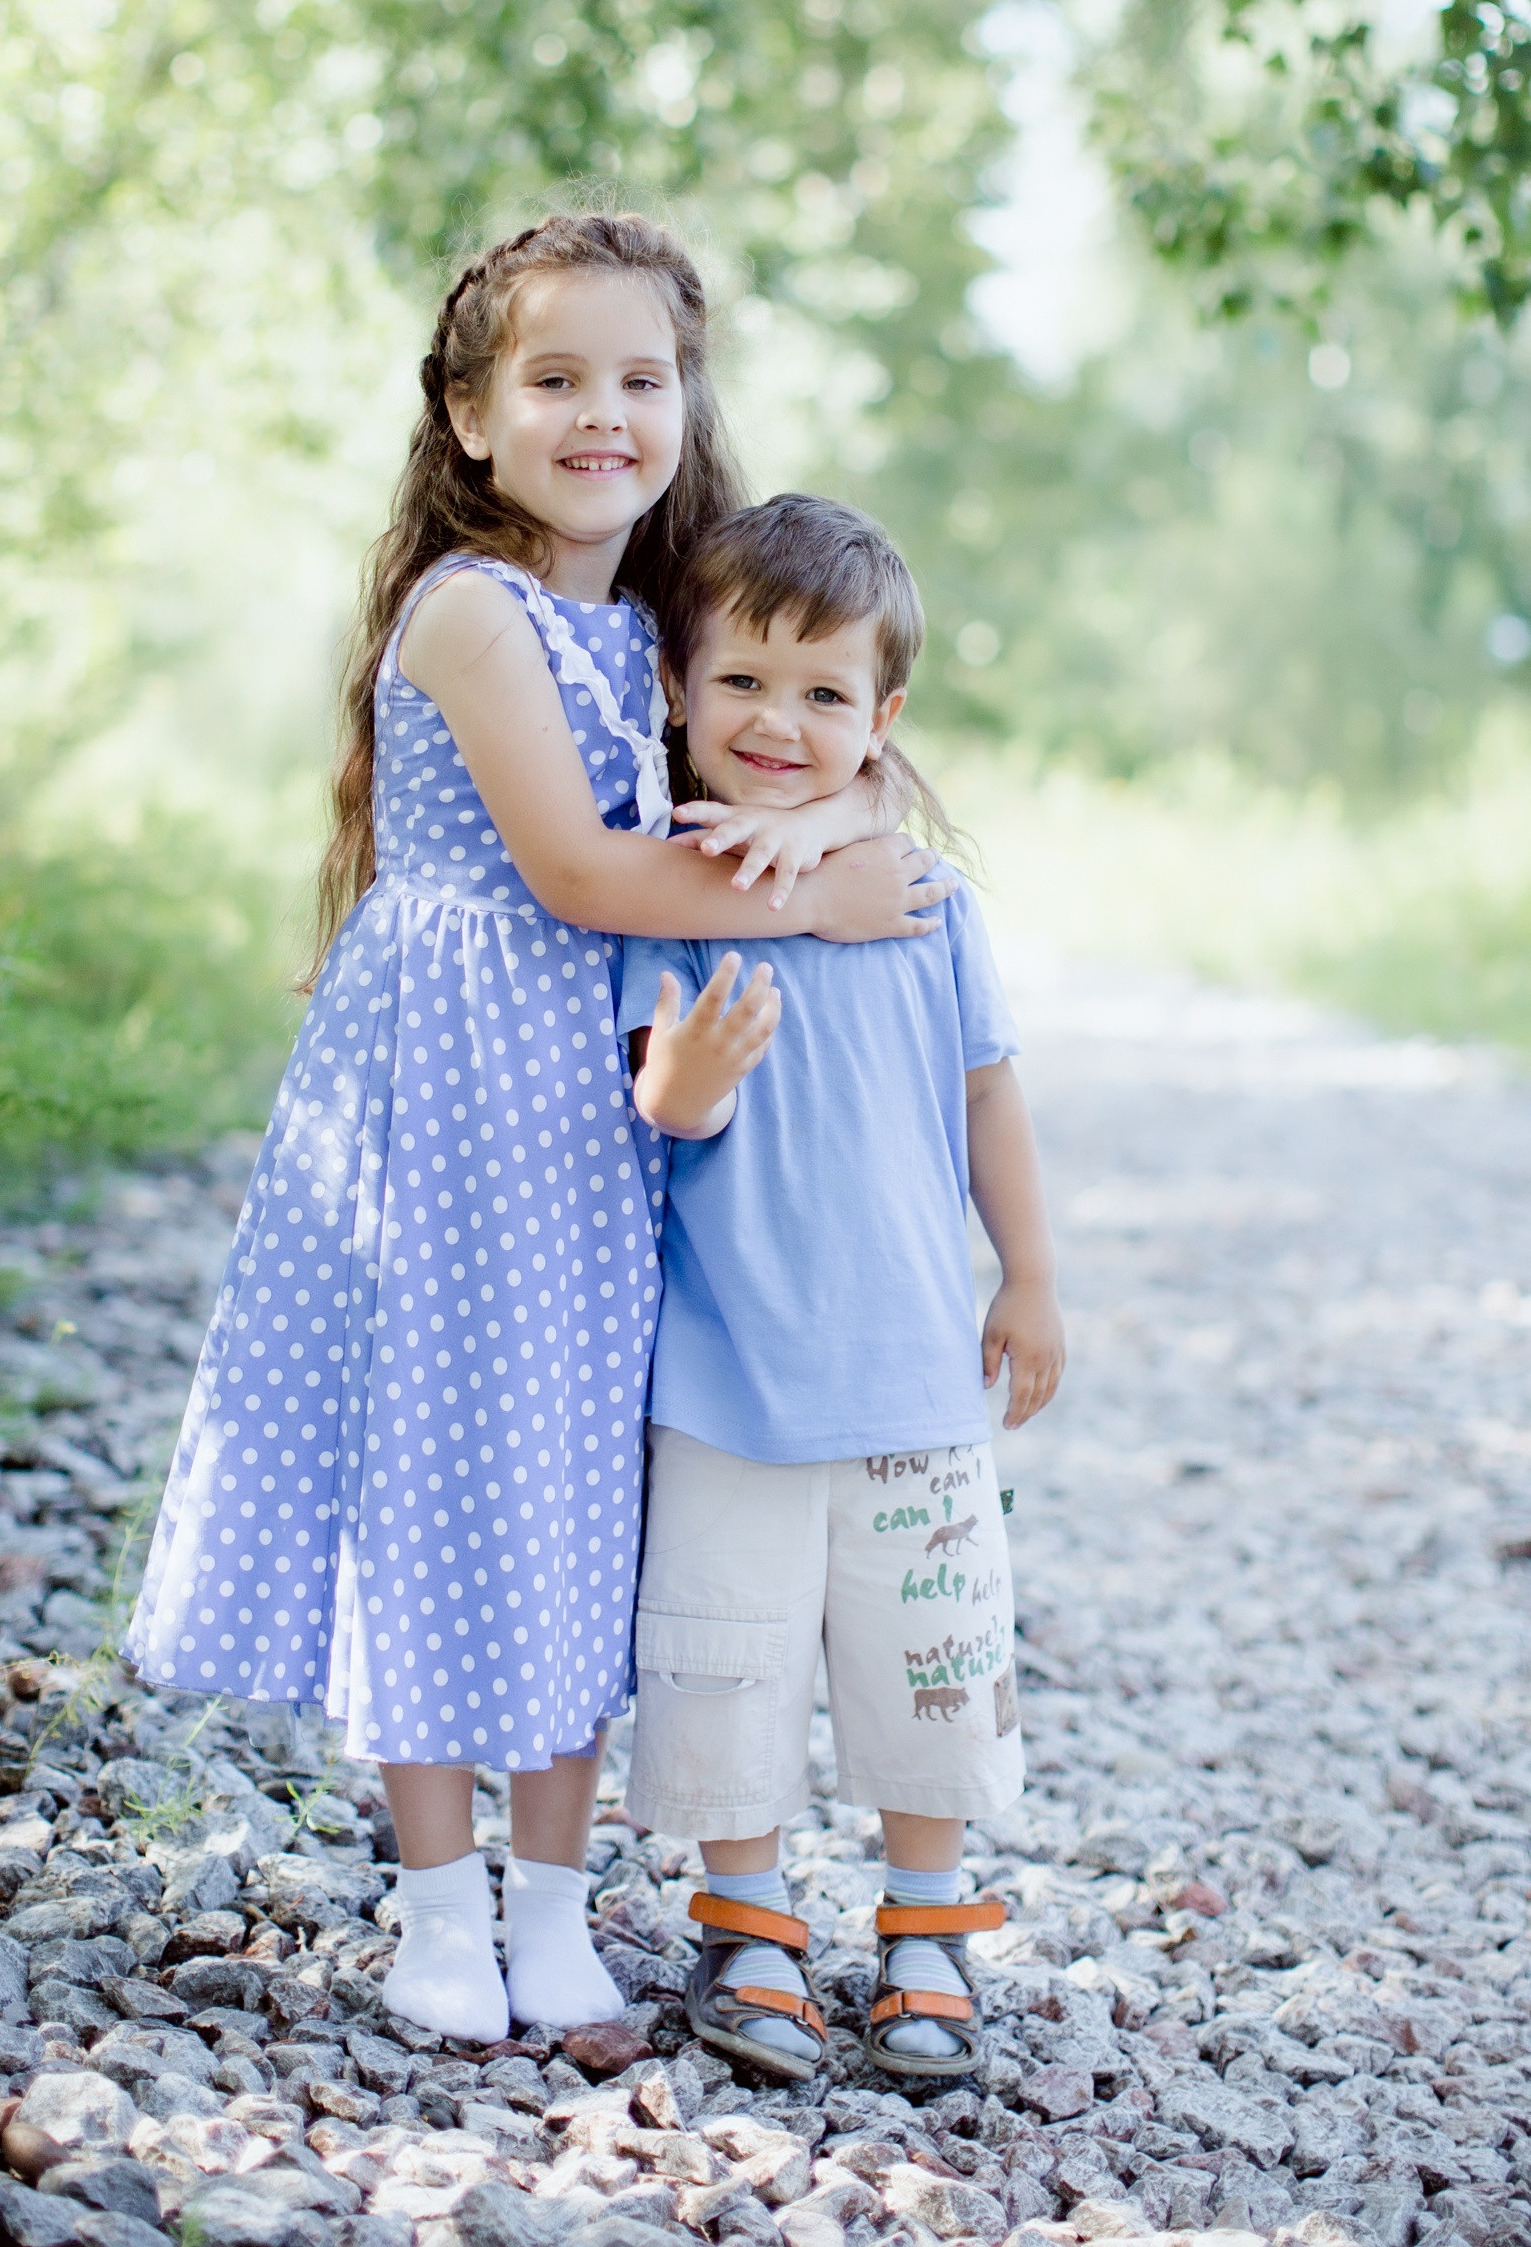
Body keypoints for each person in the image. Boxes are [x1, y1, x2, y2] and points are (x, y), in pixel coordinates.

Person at [125, 216, 950, 2045]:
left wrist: (821, 832)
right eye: (556, 379)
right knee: (439, 1470)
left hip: (602, 1113)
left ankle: (556, 1905)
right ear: (470, 415)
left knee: (583, 1483)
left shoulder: (669, 629)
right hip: (450, 1095)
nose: (605, 415)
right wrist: (811, 900)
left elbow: (832, 760)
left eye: (642, 380)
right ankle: (437, 1905)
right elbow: (580, 871)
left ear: (685, 404)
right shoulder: (471, 612)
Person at [618, 491, 1067, 2085]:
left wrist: (1027, 1275)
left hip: (910, 1381)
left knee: (924, 1661)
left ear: (880, 722)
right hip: (730, 1372)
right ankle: (747, 1921)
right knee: (728, 1656)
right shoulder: (666, 882)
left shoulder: (923, 900)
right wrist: (690, 1076)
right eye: (741, 682)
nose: (777, 723)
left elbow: (987, 1092)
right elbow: (663, 1109)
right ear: (676, 691)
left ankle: (928, 1927)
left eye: (822, 695)